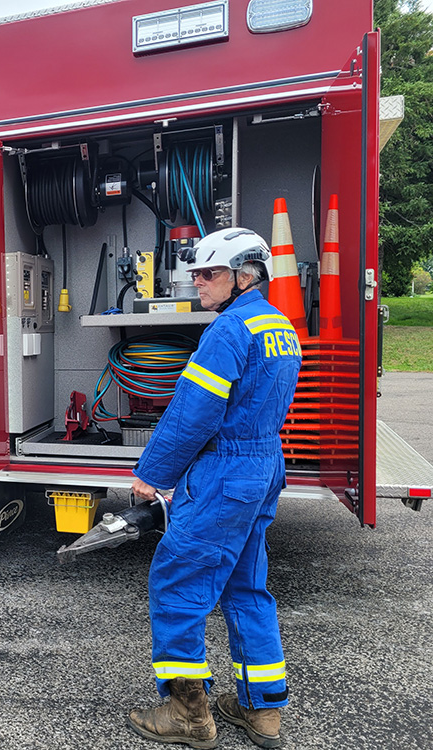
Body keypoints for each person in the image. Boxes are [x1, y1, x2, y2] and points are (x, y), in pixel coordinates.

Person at [127, 227, 302, 749]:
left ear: (244, 274)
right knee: (247, 587)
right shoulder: (279, 325)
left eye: (210, 274)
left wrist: (151, 474)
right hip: (263, 465)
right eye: (196, 273)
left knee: (178, 583)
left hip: (225, 473)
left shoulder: (228, 331)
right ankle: (261, 709)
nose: (197, 283)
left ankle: (187, 713)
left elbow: (193, 414)